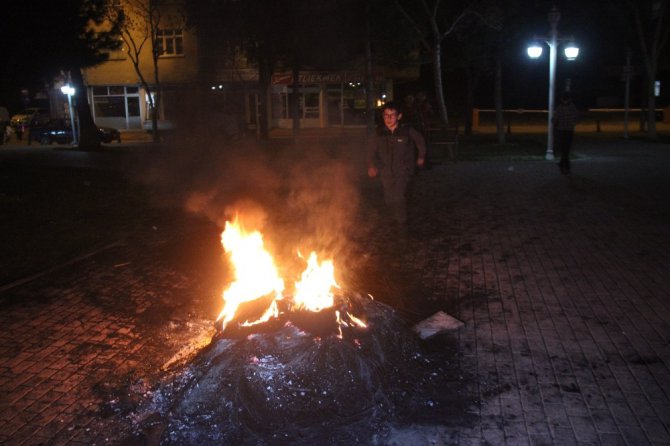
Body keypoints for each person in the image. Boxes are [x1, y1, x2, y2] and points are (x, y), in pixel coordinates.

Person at [368, 101, 426, 230]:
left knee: (399, 195)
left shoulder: (407, 131)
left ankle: (401, 223)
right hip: (386, 171)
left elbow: (420, 141)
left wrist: (421, 156)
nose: (388, 119)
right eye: (385, 115)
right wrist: (372, 165)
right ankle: (394, 218)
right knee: (389, 198)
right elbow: (371, 150)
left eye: (392, 115)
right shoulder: (379, 133)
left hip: (403, 171)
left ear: (399, 116)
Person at [553, 92, 579, 175]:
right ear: (569, 99)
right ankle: (563, 163)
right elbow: (577, 119)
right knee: (567, 147)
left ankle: (566, 164)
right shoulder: (573, 108)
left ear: (561, 99)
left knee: (563, 147)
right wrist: (572, 123)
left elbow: (554, 120)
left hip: (561, 130)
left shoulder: (559, 108)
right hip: (569, 130)